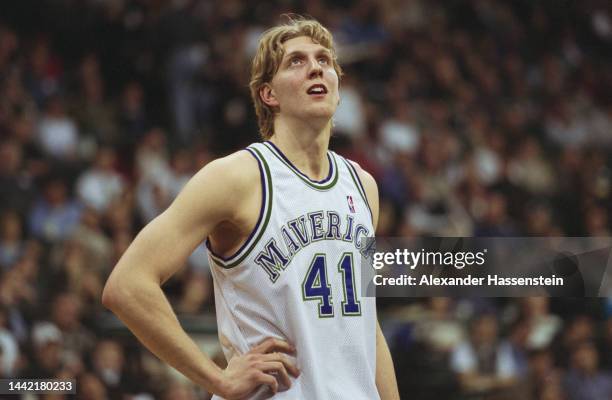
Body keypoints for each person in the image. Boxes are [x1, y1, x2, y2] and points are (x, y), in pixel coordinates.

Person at [102, 15, 399, 399]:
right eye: (296, 61)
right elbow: (126, 285)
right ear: (268, 94)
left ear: (339, 89)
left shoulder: (363, 185)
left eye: (324, 60)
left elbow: (365, 323)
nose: (316, 68)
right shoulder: (236, 177)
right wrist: (217, 379)